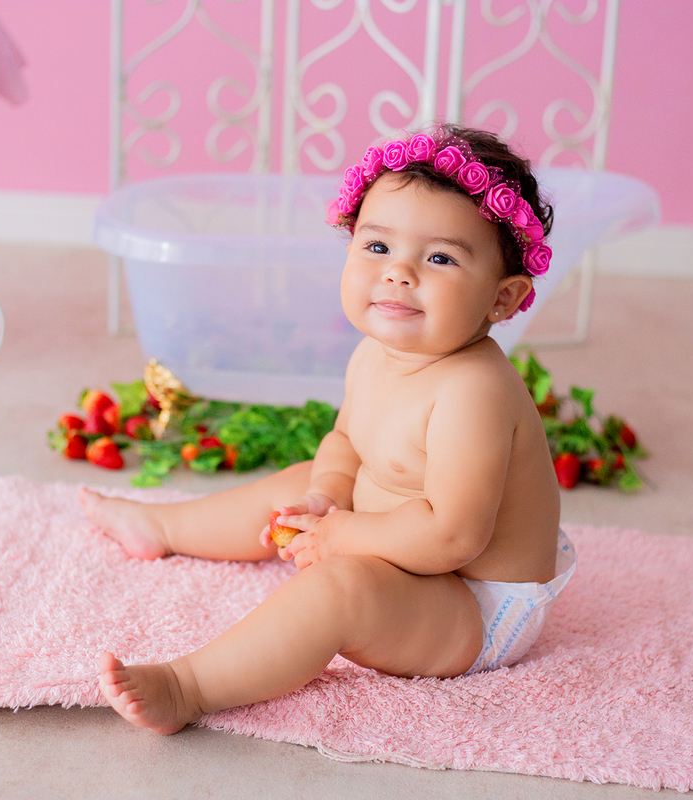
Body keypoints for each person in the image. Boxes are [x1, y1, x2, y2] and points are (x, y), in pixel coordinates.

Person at [80, 124, 576, 735]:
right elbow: (346, 443)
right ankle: (162, 526)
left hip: (470, 600)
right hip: (410, 543)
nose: (398, 273)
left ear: (503, 299)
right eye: (378, 247)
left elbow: (453, 536)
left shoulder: (473, 391)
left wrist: (342, 535)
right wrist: (326, 496)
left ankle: (189, 686)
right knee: (297, 482)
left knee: (341, 589)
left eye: (440, 258)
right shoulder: (374, 353)